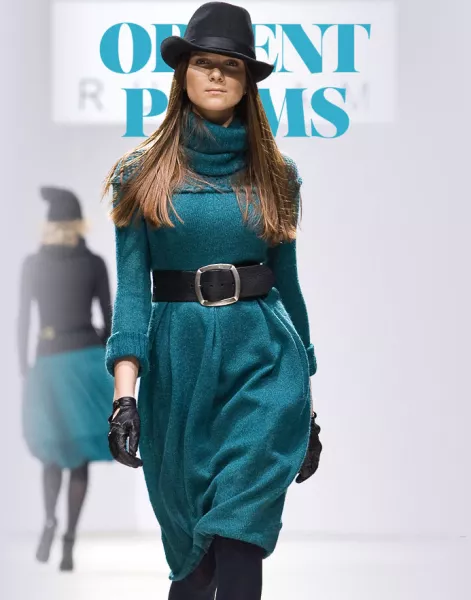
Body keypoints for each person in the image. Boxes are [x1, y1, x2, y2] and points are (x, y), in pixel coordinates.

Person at [104, 2, 322, 599]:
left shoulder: (279, 175)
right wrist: (124, 400)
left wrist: (306, 405)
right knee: (195, 563)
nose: (218, 74)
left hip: (264, 363)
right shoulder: (138, 175)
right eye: (205, 63)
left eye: (232, 65)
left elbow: (288, 286)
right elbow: (132, 293)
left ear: (248, 81)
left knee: (240, 531)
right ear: (184, 74)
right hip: (179, 366)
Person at [18, 186, 114, 571]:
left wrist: (24, 369)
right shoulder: (93, 263)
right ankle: (69, 538)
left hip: (48, 362)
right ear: (78, 224)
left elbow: (22, 320)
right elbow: (109, 318)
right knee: (78, 457)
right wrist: (104, 358)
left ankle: (49, 521)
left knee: (51, 452)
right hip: (85, 362)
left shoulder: (32, 265)